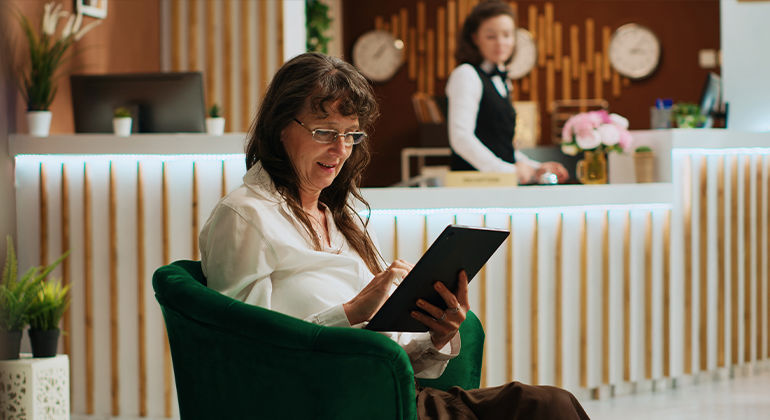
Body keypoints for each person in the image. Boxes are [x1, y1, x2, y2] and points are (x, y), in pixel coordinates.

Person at [199, 52, 589, 419]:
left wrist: (437, 337)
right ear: (280, 127)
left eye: (351, 135)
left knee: (550, 403)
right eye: (325, 132)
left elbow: (390, 351)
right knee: (548, 408)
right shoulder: (245, 215)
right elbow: (244, 351)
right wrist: (351, 311)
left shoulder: (341, 218)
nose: (340, 150)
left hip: (389, 396)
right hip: (329, 404)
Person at [446, 0, 569, 185]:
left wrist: (536, 168)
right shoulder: (466, 74)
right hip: (474, 186)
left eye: (507, 35)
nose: (501, 43)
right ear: (474, 38)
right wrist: (509, 171)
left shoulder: (502, 81)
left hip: (500, 185)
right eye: (491, 36)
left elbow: (502, 146)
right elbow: (461, 138)